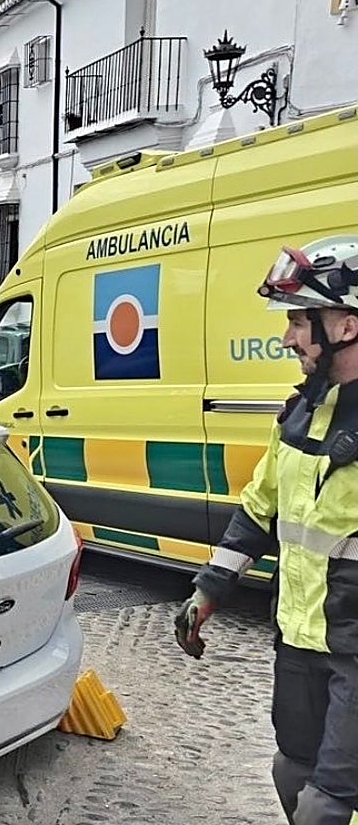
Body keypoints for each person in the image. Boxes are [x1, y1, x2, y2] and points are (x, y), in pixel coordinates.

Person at [174, 237, 358, 825]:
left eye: (299, 322)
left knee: (327, 805)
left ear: (346, 326)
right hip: (300, 639)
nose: (286, 339)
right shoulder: (301, 411)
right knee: (290, 773)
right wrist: (208, 591)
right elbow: (259, 510)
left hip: (354, 651)